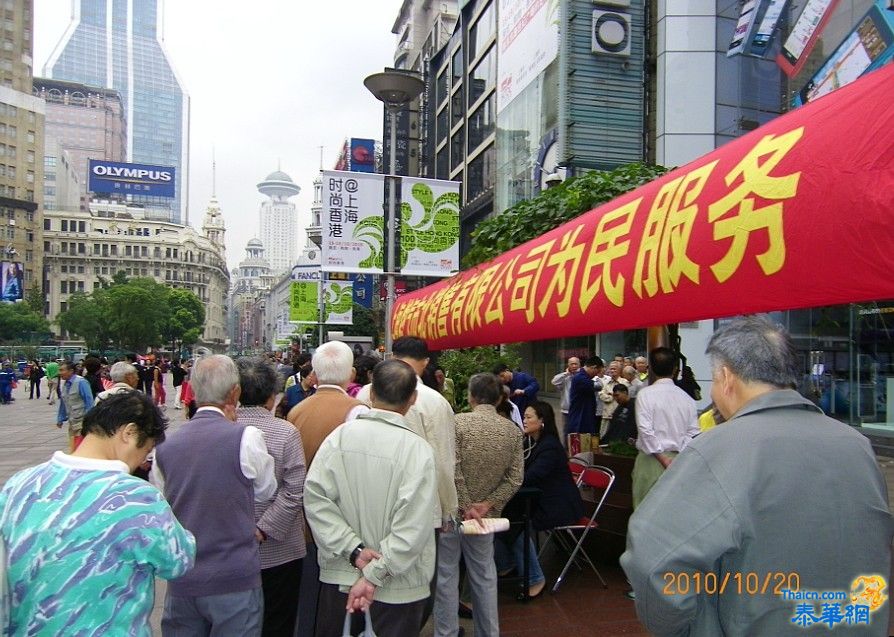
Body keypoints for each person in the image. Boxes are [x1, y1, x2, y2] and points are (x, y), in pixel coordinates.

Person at [621, 316, 894, 636]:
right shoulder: (856, 445)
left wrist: (692, 628)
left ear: (725, 377)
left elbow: (653, 559)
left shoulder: (717, 449)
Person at [0, 391, 196, 636]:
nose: (141, 462)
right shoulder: (137, 497)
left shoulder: (19, 484)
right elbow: (178, 561)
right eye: (145, 451)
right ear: (129, 433)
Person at [305, 359, 438, 637]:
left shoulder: (339, 439)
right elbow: (412, 526)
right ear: (412, 398)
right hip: (399, 586)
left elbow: (316, 499)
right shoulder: (418, 451)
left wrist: (352, 549)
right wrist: (376, 572)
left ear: (371, 394)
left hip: (341, 575)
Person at [151, 354, 276, 636]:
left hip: (183, 580)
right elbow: (266, 490)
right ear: (236, 392)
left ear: (193, 391)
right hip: (235, 577)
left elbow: (163, 503)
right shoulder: (246, 437)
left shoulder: (165, 448)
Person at [287, 341, 369, 637]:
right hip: (345, 524)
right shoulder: (358, 411)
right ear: (350, 373)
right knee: (339, 605)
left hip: (305, 522)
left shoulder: (297, 410)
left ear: (316, 373)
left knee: (308, 596)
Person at [434, 372, 523, 637]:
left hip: (452, 511)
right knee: (484, 575)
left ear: (471, 396)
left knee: (446, 574)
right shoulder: (512, 431)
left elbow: (452, 467)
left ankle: (446, 633)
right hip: (486, 518)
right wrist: (487, 504)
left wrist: (465, 503)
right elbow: (515, 478)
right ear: (499, 399)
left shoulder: (457, 423)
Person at [236, 357, 307, 637]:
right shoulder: (286, 431)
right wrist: (265, 528)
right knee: (278, 620)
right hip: (280, 548)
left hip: (232, 545)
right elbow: (295, 489)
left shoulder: (224, 429)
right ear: (271, 396)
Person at [499, 400, 584, 599]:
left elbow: (530, 476)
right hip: (543, 501)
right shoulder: (534, 443)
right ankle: (506, 564)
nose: (525, 421)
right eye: (525, 417)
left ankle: (535, 578)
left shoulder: (550, 447)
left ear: (542, 421)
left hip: (558, 506)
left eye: (529, 417)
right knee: (506, 517)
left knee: (517, 525)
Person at [631, 347, 698, 508]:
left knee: (644, 511)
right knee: (672, 512)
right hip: (679, 460)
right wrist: (676, 456)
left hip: (650, 461)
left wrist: (663, 458)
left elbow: (645, 431)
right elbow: (694, 432)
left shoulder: (645, 395)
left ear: (651, 367)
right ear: (675, 369)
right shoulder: (687, 398)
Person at [57, 361, 95, 452]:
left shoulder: (81, 382)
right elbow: (63, 402)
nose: (60, 373)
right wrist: (60, 418)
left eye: (62, 370)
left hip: (82, 421)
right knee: (74, 447)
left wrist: (89, 419)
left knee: (80, 448)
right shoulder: (66, 384)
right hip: (72, 421)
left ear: (71, 371)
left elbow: (89, 401)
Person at [565, 356, 603, 436]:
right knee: (578, 445)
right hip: (580, 419)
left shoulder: (583, 376)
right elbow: (599, 386)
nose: (596, 375)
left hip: (585, 416)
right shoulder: (581, 378)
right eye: (597, 372)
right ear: (594, 367)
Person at [550, 356, 581, 435]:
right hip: (566, 411)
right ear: (568, 365)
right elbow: (554, 381)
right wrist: (566, 373)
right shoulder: (565, 377)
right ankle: (566, 447)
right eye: (572, 364)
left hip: (579, 410)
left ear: (579, 365)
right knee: (566, 431)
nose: (574, 366)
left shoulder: (583, 376)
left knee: (579, 431)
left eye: (576, 364)